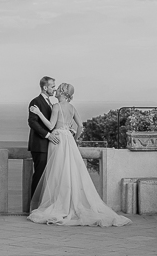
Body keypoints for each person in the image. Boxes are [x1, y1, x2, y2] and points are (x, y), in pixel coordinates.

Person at [27, 83, 131, 227]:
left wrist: (38, 113)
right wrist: (74, 139)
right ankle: (72, 201)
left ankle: (60, 203)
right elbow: (80, 126)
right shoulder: (72, 108)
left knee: (58, 173)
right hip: (69, 139)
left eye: (58, 88)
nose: (56, 90)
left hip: (58, 140)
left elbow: (51, 126)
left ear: (62, 92)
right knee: (72, 172)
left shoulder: (57, 106)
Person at [28, 76, 58, 201]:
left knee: (47, 178)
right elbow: (32, 122)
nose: (54, 89)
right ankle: (34, 206)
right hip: (40, 146)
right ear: (45, 87)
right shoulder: (36, 101)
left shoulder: (49, 102)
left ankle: (43, 204)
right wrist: (48, 135)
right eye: (52, 86)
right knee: (39, 176)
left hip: (48, 145)